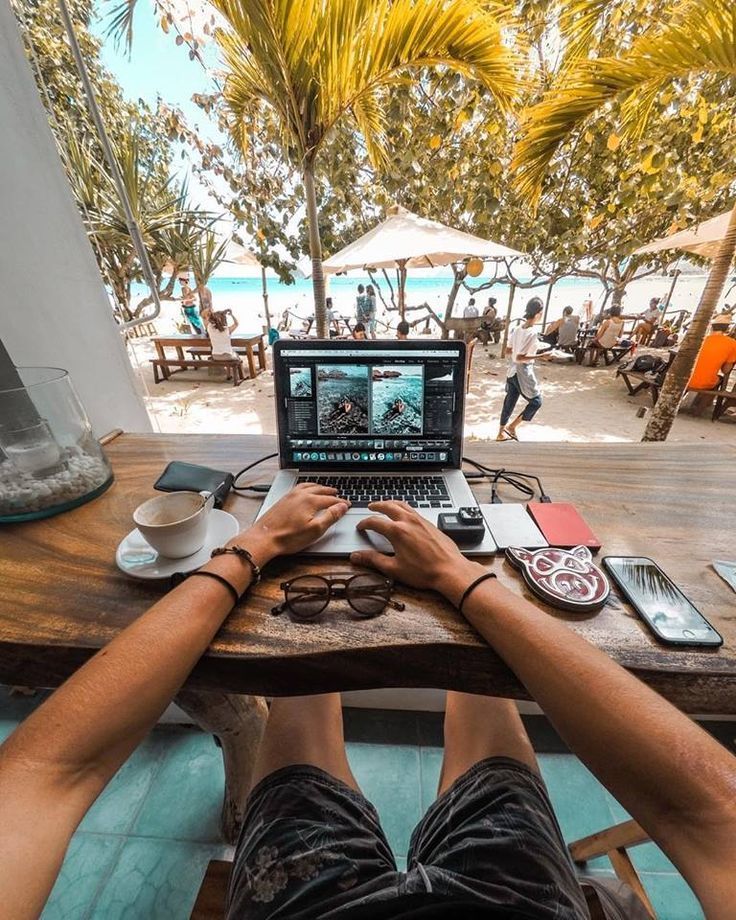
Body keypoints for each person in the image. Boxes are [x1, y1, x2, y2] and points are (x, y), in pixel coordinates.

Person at [3, 487, 736, 920]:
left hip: (309, 908)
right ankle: (455, 630)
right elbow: (708, 809)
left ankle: (312, 621)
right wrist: (461, 581)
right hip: (515, 905)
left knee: (302, 699)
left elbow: (44, 771)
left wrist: (256, 547)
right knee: (483, 699)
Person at [497, 297, 549, 441]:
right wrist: (541, 356)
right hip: (523, 372)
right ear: (538, 313)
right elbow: (521, 357)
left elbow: (508, 351)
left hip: (512, 371)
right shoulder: (532, 333)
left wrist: (520, 352)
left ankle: (500, 433)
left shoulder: (517, 329)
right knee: (537, 401)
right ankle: (512, 427)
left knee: (509, 401)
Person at [687, 313, 736, 412]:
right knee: (719, 379)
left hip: (685, 378)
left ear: (712, 327)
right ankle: (700, 408)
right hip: (705, 383)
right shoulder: (732, 344)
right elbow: (726, 370)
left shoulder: (701, 339)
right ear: (727, 329)